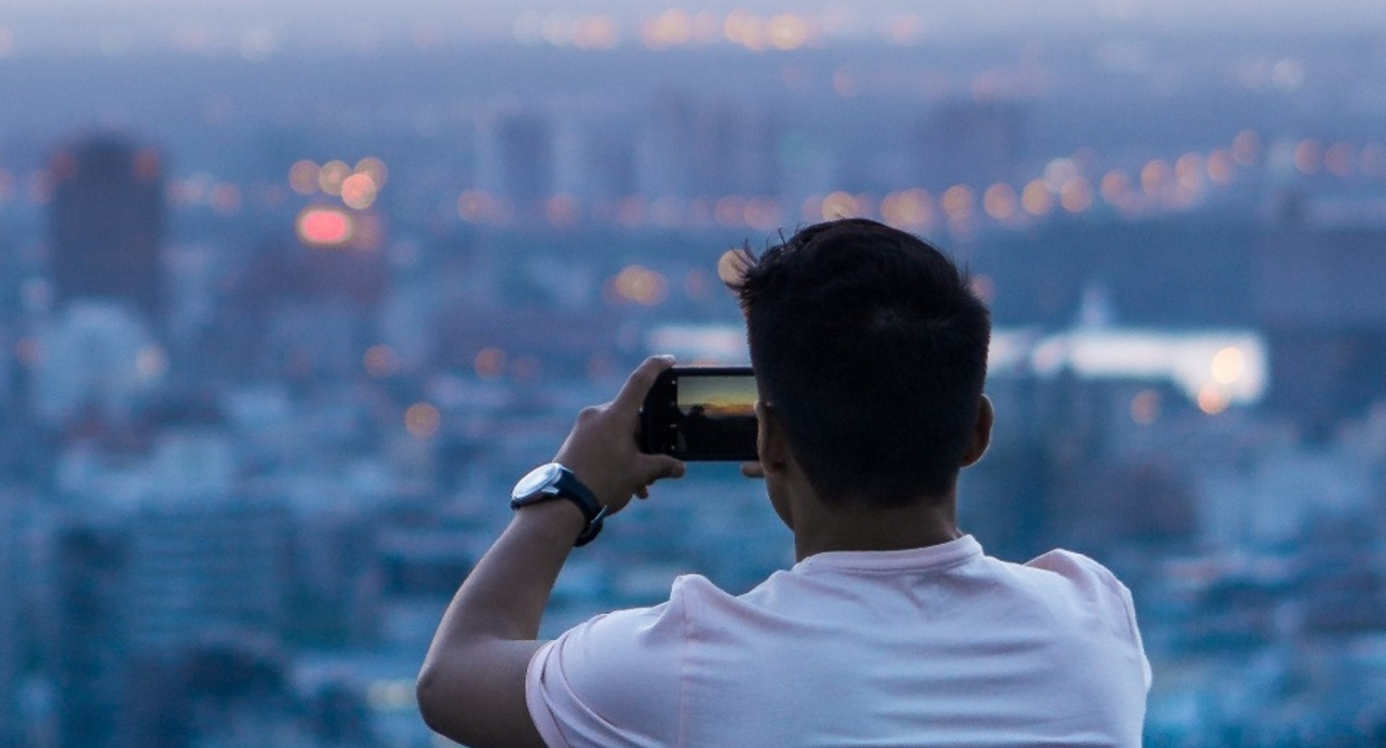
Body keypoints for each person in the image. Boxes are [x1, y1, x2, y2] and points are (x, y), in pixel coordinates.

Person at [418, 219, 1150, 748]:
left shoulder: (688, 664)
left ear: (768, 441)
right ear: (978, 434)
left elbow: (451, 679)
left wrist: (570, 489)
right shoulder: (1092, 620)